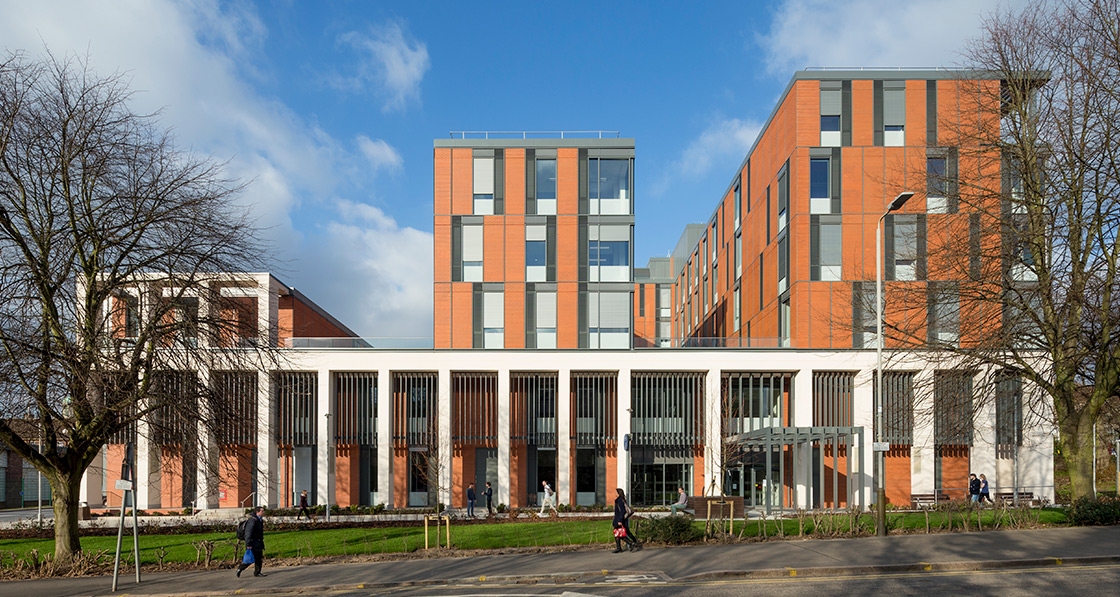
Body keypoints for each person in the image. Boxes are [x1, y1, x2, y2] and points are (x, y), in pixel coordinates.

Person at [236, 506, 266, 578]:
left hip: (258, 541)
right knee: (251, 558)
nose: (263, 512)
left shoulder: (259, 520)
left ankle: (257, 572)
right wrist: (248, 544)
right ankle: (241, 568)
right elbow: (248, 532)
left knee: (258, 558)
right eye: (262, 511)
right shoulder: (253, 521)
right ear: (257, 512)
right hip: (253, 542)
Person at [612, 487, 639, 553]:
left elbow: (622, 511)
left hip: (620, 520)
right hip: (621, 519)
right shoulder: (620, 500)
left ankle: (630, 543)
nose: (614, 494)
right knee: (619, 533)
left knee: (619, 533)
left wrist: (620, 521)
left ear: (618, 494)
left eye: (615, 492)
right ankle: (620, 547)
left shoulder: (619, 501)